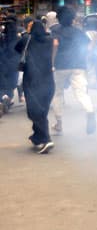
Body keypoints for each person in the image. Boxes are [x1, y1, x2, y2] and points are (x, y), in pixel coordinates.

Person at [49, 6, 96, 135]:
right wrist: (84, 59)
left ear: (58, 18)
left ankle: (59, 124)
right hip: (78, 65)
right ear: (72, 19)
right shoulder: (79, 31)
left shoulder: (54, 30)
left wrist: (51, 63)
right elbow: (88, 45)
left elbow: (54, 45)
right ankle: (90, 111)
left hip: (60, 65)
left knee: (57, 93)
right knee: (81, 92)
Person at [18, 17, 56, 153]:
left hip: (32, 81)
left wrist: (27, 33)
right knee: (42, 111)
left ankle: (46, 139)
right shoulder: (51, 40)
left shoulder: (26, 39)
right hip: (49, 81)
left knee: (35, 112)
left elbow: (17, 49)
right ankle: (38, 138)